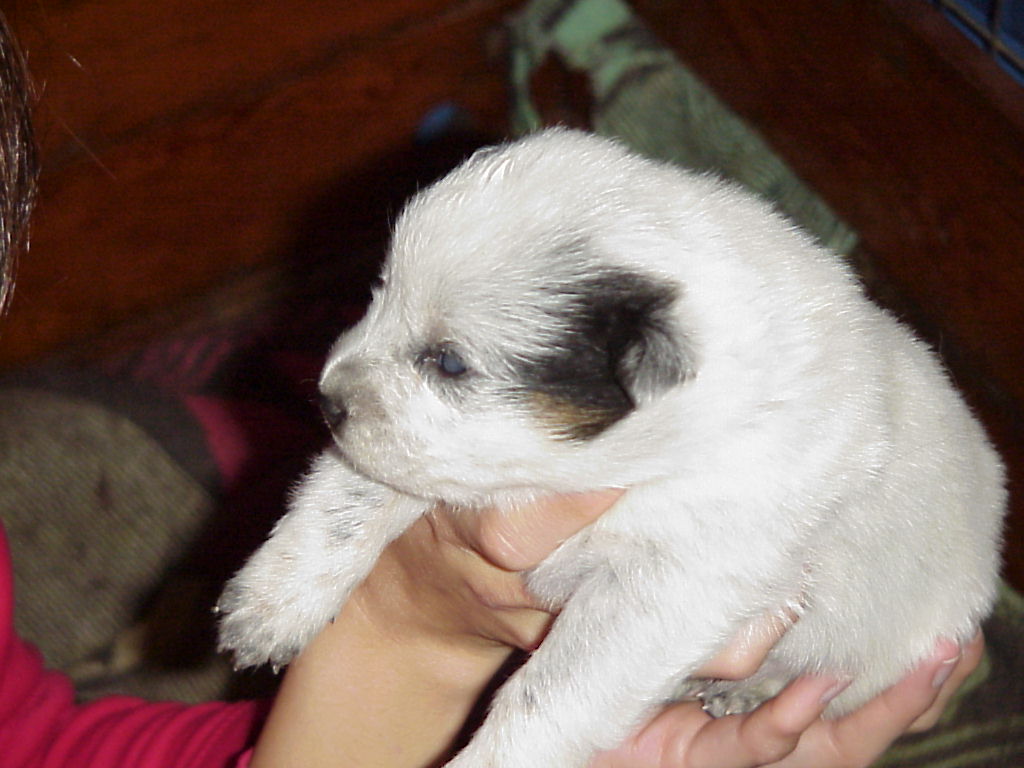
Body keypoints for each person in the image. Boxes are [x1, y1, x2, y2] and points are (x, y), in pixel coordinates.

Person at [0, 11, 981, 767]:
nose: (340, 370)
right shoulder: (611, 357)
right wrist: (375, 607)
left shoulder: (787, 419)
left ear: (646, 370)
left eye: (446, 359)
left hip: (828, 657)